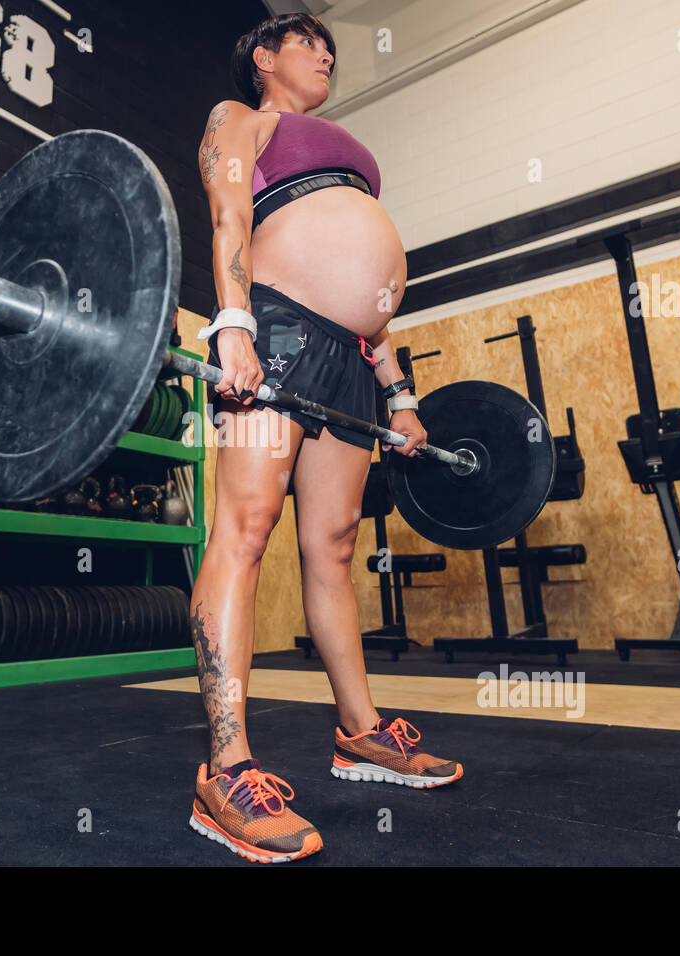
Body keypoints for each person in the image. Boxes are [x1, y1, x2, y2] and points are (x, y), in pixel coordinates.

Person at [187, 13, 463, 864]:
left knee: (334, 547)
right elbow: (230, 213)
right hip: (274, 331)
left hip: (349, 358)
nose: (326, 53)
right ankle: (226, 768)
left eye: (329, 45)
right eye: (308, 42)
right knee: (245, 529)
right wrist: (232, 324)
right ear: (265, 58)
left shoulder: (346, 156)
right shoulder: (243, 119)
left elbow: (370, 307)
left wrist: (400, 393)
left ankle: (360, 731)